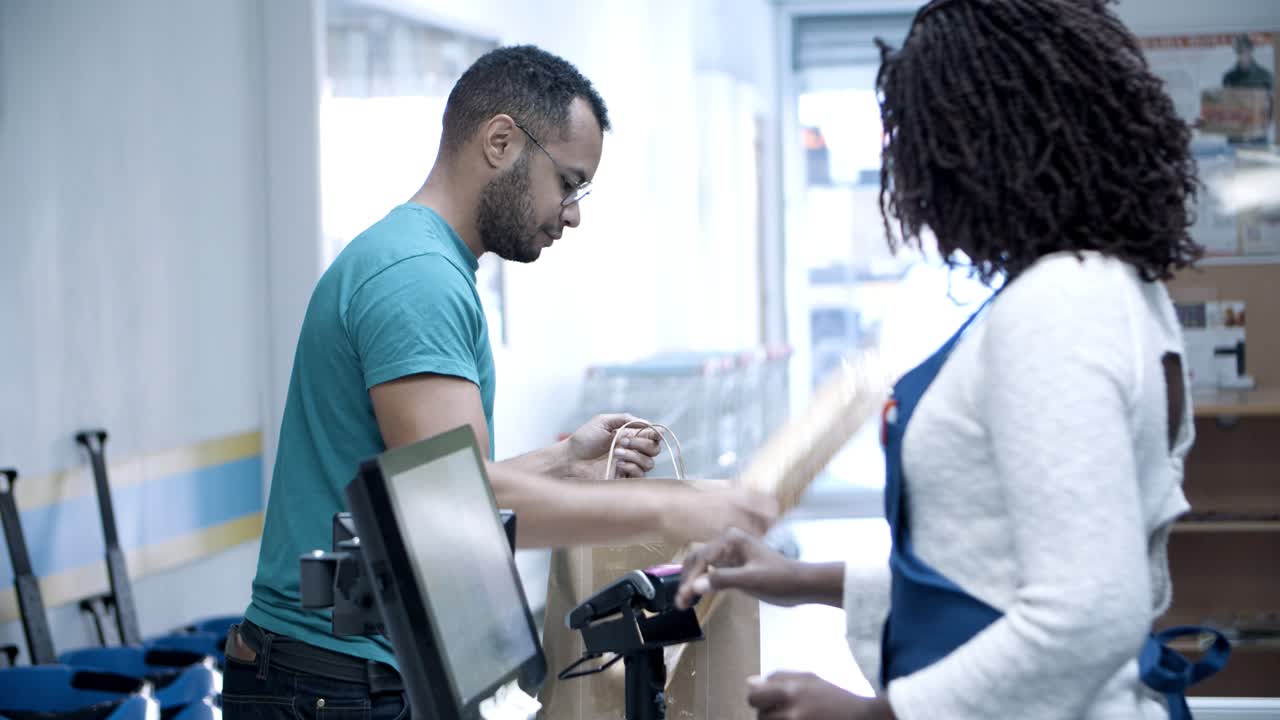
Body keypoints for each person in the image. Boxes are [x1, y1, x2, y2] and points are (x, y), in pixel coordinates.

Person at [677, 1, 1228, 718]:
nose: (908, 178)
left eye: (915, 142)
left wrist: (875, 715)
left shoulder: (1059, 305)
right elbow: (989, 572)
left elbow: (1091, 610)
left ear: (982, 143)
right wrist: (801, 577)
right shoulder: (1117, 287)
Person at [223, 45, 776, 720]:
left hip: (349, 670)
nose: (571, 213)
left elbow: (425, 486)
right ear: (501, 141)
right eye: (568, 183)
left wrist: (566, 463)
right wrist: (678, 508)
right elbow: (455, 498)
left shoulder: (420, 263)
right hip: (337, 682)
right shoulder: (415, 279)